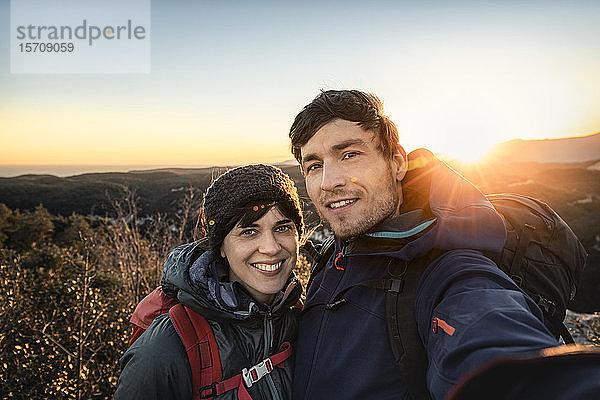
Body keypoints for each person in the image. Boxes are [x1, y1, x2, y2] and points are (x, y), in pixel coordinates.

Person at [288, 90, 600, 399]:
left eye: (350, 154)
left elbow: (492, 342)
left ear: (397, 162)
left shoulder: (449, 273)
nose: (329, 182)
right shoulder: (338, 251)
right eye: (314, 166)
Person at [114, 164, 304, 400]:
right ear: (221, 247)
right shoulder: (168, 347)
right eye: (249, 231)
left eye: (283, 228)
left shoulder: (301, 315)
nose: (271, 247)